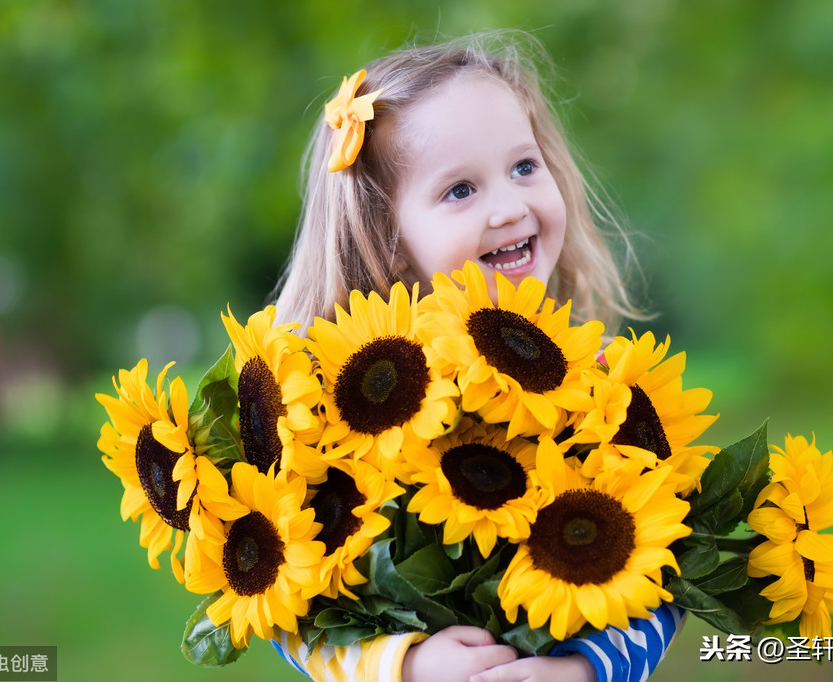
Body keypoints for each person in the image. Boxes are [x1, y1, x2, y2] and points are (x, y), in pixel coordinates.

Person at [269, 30, 684, 682]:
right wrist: (400, 666)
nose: (510, 206)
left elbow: (663, 569)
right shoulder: (334, 412)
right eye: (460, 190)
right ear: (391, 238)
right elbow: (285, 604)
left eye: (524, 167)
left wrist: (582, 670)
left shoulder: (605, 387)